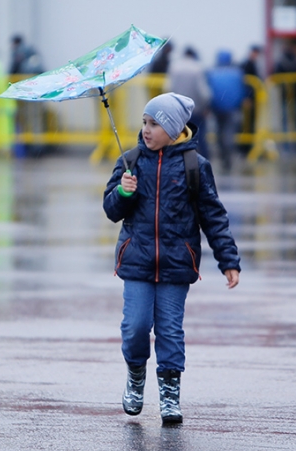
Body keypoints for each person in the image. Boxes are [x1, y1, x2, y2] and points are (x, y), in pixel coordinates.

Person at [103, 92, 241, 424]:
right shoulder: (131, 161)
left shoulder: (195, 167)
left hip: (177, 264)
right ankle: (136, 377)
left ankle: (169, 392)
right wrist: (123, 192)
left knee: (169, 330)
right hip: (137, 261)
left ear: (175, 129)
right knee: (135, 326)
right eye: (144, 123)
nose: (146, 130)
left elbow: (213, 217)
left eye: (155, 124)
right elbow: (110, 210)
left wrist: (229, 260)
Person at [167, 46, 211, 158]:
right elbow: (203, 92)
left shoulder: (174, 66)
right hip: (195, 109)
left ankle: (179, 159)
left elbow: (168, 87)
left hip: (178, 109)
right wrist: (205, 105)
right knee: (199, 136)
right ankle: (202, 160)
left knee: (179, 136)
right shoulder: (198, 67)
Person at [207, 50, 245, 171]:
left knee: (219, 132)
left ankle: (223, 156)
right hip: (232, 108)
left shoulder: (212, 72)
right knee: (229, 133)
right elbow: (241, 91)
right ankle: (228, 157)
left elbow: (208, 91)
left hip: (217, 108)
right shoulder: (237, 73)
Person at [274, 42, 296, 156]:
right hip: (294, 96)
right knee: (295, 122)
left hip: (288, 97)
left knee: (288, 123)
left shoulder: (282, 63)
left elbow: (275, 77)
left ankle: (288, 148)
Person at [239, 45, 263, 155]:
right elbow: (246, 83)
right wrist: (246, 97)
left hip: (251, 99)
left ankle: (247, 148)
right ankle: (245, 148)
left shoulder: (251, 64)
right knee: (246, 125)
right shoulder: (247, 65)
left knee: (249, 124)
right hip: (248, 100)